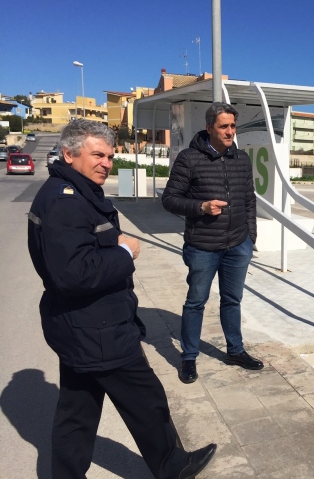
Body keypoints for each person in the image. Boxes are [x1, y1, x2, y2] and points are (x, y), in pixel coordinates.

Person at [27, 120, 216, 479]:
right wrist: (125, 253)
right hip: (98, 330)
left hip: (78, 326)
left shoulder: (72, 191)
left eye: (110, 156)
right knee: (147, 400)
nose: (106, 163)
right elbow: (73, 274)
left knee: (77, 412)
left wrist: (109, 245)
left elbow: (75, 254)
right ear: (69, 154)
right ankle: (173, 466)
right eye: (97, 154)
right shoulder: (64, 202)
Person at [162, 102, 263, 384]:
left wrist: (250, 236)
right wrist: (201, 207)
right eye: (224, 126)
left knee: (233, 300)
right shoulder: (189, 158)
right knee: (196, 302)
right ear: (209, 128)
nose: (230, 131)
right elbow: (169, 199)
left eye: (233, 126)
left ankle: (235, 350)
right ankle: (189, 357)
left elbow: (249, 200)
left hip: (237, 244)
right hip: (203, 246)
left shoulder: (241, 159)